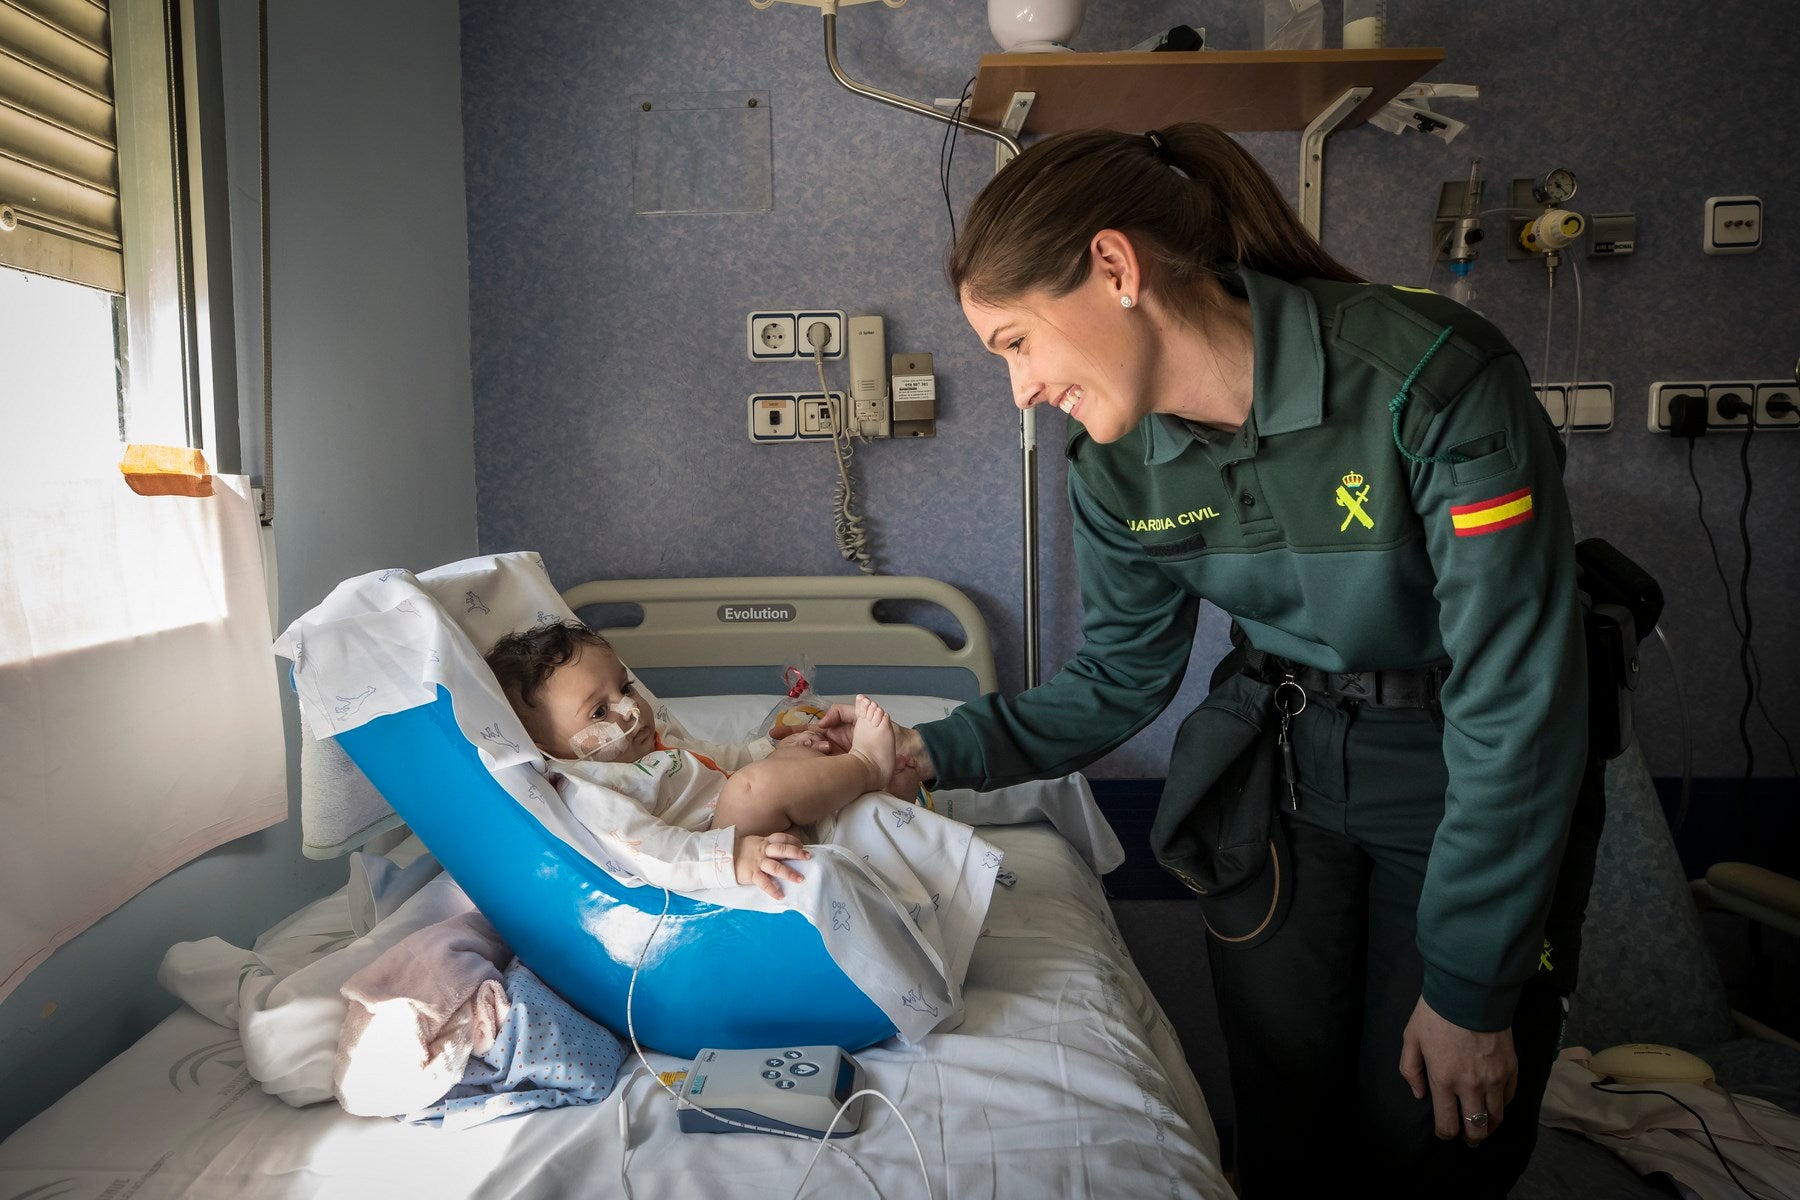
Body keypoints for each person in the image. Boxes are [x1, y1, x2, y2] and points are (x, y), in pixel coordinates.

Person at [794, 123, 1602, 1196]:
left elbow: (1518, 705)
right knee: (1285, 1125)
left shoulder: (1429, 382)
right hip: (1282, 776)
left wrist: (1472, 987)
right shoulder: (1117, 467)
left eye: (1017, 343)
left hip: (1461, 772)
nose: (1021, 391)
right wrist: (919, 755)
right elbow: (1119, 681)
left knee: (1431, 1131)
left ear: (1116, 269)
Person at [485, 622, 918, 900]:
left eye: (627, 688)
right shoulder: (594, 791)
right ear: (545, 747)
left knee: (798, 762)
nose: (631, 710)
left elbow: (718, 758)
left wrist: (772, 748)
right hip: (712, 862)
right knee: (754, 787)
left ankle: (883, 802)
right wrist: (733, 857)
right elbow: (653, 853)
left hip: (752, 830)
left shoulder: (651, 743)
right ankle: (868, 767)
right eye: (600, 712)